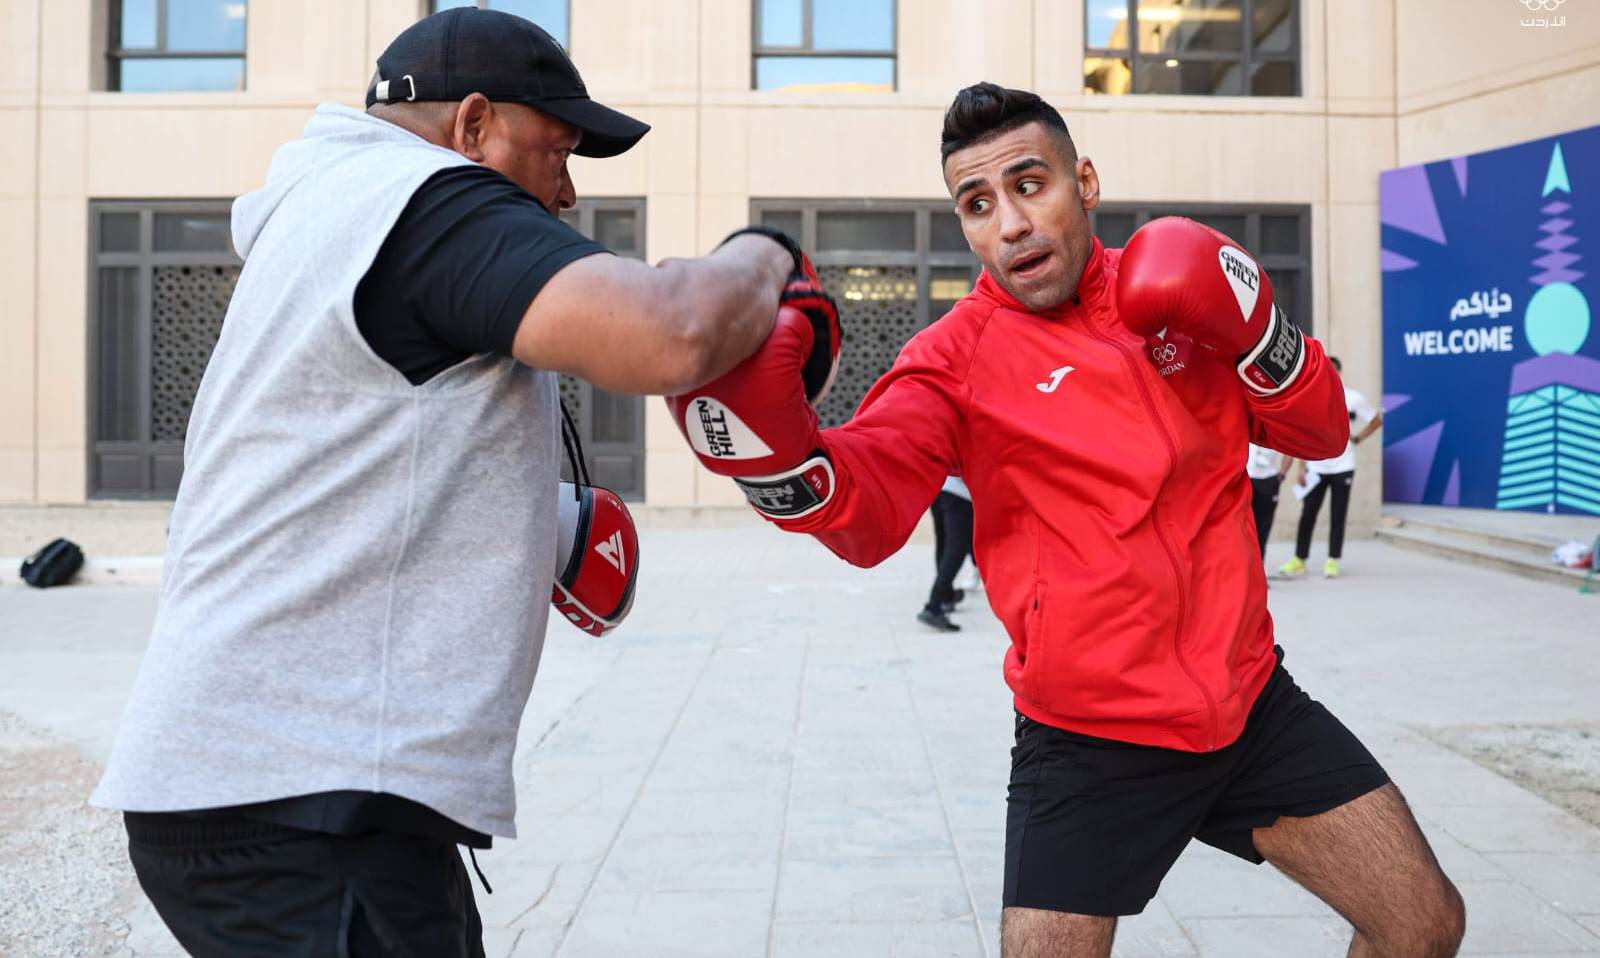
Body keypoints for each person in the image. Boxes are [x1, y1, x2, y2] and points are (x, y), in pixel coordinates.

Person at [89, 8, 835, 955]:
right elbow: (672, 332)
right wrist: (770, 254)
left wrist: (528, 522)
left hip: (286, 793)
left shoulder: (332, 213)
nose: (567, 192)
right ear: (473, 125)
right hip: (306, 803)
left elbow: (341, 460)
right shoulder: (422, 198)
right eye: (557, 153)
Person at [669, 84, 1463, 958]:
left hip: (1249, 705)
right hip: (1088, 739)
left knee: (1422, 923)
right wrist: (778, 465)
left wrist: (1258, 330)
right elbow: (865, 513)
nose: (1009, 224)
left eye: (1029, 184)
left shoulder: (1179, 294)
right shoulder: (953, 359)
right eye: (978, 204)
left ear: (1083, 182)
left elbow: (1320, 431)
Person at [1279, 356, 1384, 579]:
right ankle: (1299, 559)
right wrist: (1301, 468)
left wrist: (1358, 438)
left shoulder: (1353, 398)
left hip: (1343, 466)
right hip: (1316, 468)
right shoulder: (1309, 397)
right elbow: (1303, 434)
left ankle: (1332, 560)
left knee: (1338, 513)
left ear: (1339, 372)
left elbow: (1376, 420)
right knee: (1308, 513)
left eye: (1332, 371)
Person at [920, 475, 975, 631]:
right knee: (956, 547)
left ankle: (946, 596)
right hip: (959, 493)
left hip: (938, 489)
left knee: (944, 543)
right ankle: (934, 606)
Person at [1246, 442, 1290, 558]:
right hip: (1245, 478)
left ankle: (1259, 564)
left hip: (1268, 480)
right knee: (1241, 528)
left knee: (1262, 528)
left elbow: (1289, 448)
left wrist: (1282, 473)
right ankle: (1241, 565)